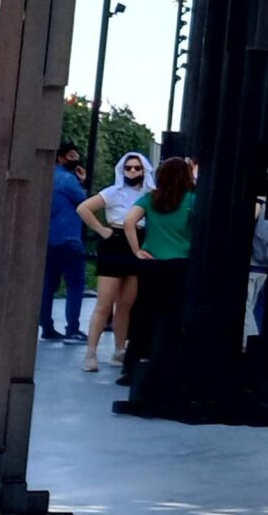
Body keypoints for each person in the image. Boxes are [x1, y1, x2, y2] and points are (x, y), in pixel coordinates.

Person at [119, 157, 199, 374]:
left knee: (144, 311)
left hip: (151, 262)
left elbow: (128, 222)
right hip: (180, 263)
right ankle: (164, 362)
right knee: (172, 315)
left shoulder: (150, 198)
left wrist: (137, 250)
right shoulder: (192, 200)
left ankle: (132, 364)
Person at [77, 150, 152, 372]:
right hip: (115, 241)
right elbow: (83, 208)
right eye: (128, 168)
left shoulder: (150, 193)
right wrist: (101, 230)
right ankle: (91, 352)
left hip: (139, 241)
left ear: (144, 170)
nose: (132, 171)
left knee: (126, 304)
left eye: (137, 168)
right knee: (104, 302)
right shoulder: (113, 191)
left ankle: (120, 350)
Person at [41, 146, 91, 342]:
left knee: (48, 285)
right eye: (72, 156)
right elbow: (85, 203)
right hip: (69, 238)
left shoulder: (47, 177)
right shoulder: (68, 180)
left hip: (49, 238)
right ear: (60, 158)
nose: (76, 159)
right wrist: (82, 182)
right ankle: (73, 329)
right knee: (75, 284)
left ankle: (47, 327)